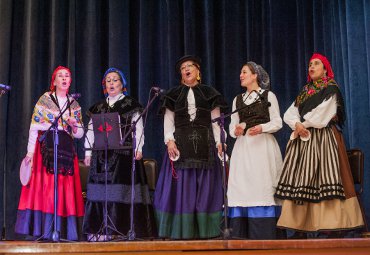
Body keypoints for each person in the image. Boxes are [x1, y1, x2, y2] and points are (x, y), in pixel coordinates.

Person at [275, 53, 364, 236]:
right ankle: (301, 227)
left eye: (316, 64)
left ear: (325, 68)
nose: (311, 67)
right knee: (302, 179)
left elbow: (323, 114)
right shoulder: (306, 90)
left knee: (326, 177)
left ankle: (331, 226)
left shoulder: (331, 88)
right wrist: (297, 124)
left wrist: (302, 125)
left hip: (324, 137)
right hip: (305, 138)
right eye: (310, 64)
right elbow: (289, 113)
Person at [153, 55, 228, 239]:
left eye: (189, 66)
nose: (186, 69)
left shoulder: (210, 93)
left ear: (198, 71)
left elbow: (216, 122)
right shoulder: (173, 94)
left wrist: (220, 142)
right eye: (182, 68)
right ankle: (181, 230)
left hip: (205, 146)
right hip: (180, 147)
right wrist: (169, 140)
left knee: (205, 189)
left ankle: (206, 231)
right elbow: (168, 120)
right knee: (182, 189)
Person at [82, 67, 157, 240]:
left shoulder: (130, 104)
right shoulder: (98, 107)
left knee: (122, 193)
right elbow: (91, 131)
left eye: (115, 80)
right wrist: (87, 152)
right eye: (108, 80)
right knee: (100, 193)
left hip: (124, 156)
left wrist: (138, 148)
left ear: (122, 84)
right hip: (101, 157)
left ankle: (124, 230)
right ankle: (100, 231)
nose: (111, 83)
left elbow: (138, 128)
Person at [15, 66, 85, 241]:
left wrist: (73, 125)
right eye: (60, 76)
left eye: (67, 76)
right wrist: (30, 153)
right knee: (47, 190)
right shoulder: (45, 100)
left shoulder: (74, 104)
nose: (64, 78)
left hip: (66, 152)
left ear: (70, 81)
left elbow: (80, 134)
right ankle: (45, 231)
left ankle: (63, 231)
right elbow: (34, 127)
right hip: (46, 151)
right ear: (54, 81)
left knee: (64, 191)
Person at [227, 62, 283, 239]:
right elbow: (231, 125)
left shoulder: (268, 96)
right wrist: (235, 130)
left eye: (244, 72)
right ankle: (240, 235)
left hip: (262, 148)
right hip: (243, 149)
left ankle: (265, 234)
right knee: (243, 187)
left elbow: (277, 122)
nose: (241, 76)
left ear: (255, 76)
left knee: (262, 185)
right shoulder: (237, 99)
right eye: (241, 73)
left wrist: (262, 127)